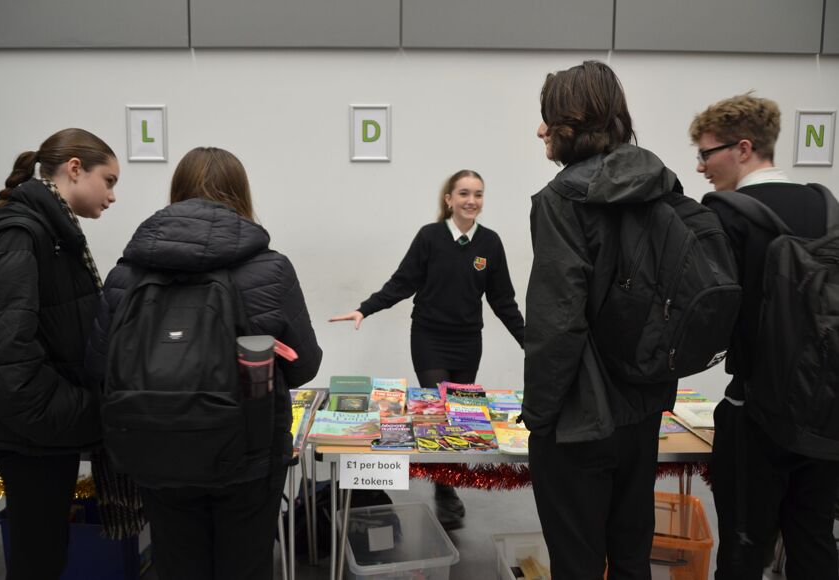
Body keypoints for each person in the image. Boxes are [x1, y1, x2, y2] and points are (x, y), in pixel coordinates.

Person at [85, 146, 321, 580]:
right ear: (241, 193)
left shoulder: (127, 274)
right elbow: (304, 365)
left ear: (177, 192)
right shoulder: (271, 269)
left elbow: (100, 367)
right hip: (249, 451)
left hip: (154, 447)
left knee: (177, 561)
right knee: (246, 565)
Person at [523, 61, 680, 579]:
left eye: (548, 118)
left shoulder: (560, 199)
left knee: (578, 564)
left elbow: (558, 323)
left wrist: (539, 417)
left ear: (571, 123)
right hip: (644, 407)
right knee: (633, 557)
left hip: (580, 420)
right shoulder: (661, 185)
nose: (541, 130)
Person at [692, 93, 839, 580]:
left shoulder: (726, 214)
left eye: (706, 153)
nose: (701, 167)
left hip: (755, 413)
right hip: (824, 411)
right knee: (814, 541)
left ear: (743, 148)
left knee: (744, 546)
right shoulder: (826, 206)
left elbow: (709, 319)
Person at [329, 169, 525, 529]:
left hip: (468, 342)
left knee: (460, 416)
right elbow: (402, 283)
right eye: (464, 193)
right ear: (448, 199)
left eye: (478, 194)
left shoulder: (490, 243)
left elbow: (503, 300)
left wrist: (531, 343)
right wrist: (364, 309)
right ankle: (446, 490)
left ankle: (445, 481)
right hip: (429, 338)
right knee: (438, 411)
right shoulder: (429, 237)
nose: (471, 201)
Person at [0, 128, 118, 580]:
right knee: (39, 560)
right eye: (108, 181)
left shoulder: (52, 233)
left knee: (47, 553)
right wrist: (78, 411)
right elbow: (0, 359)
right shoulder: (18, 235)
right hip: (32, 433)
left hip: (41, 429)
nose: (112, 196)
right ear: (75, 169)